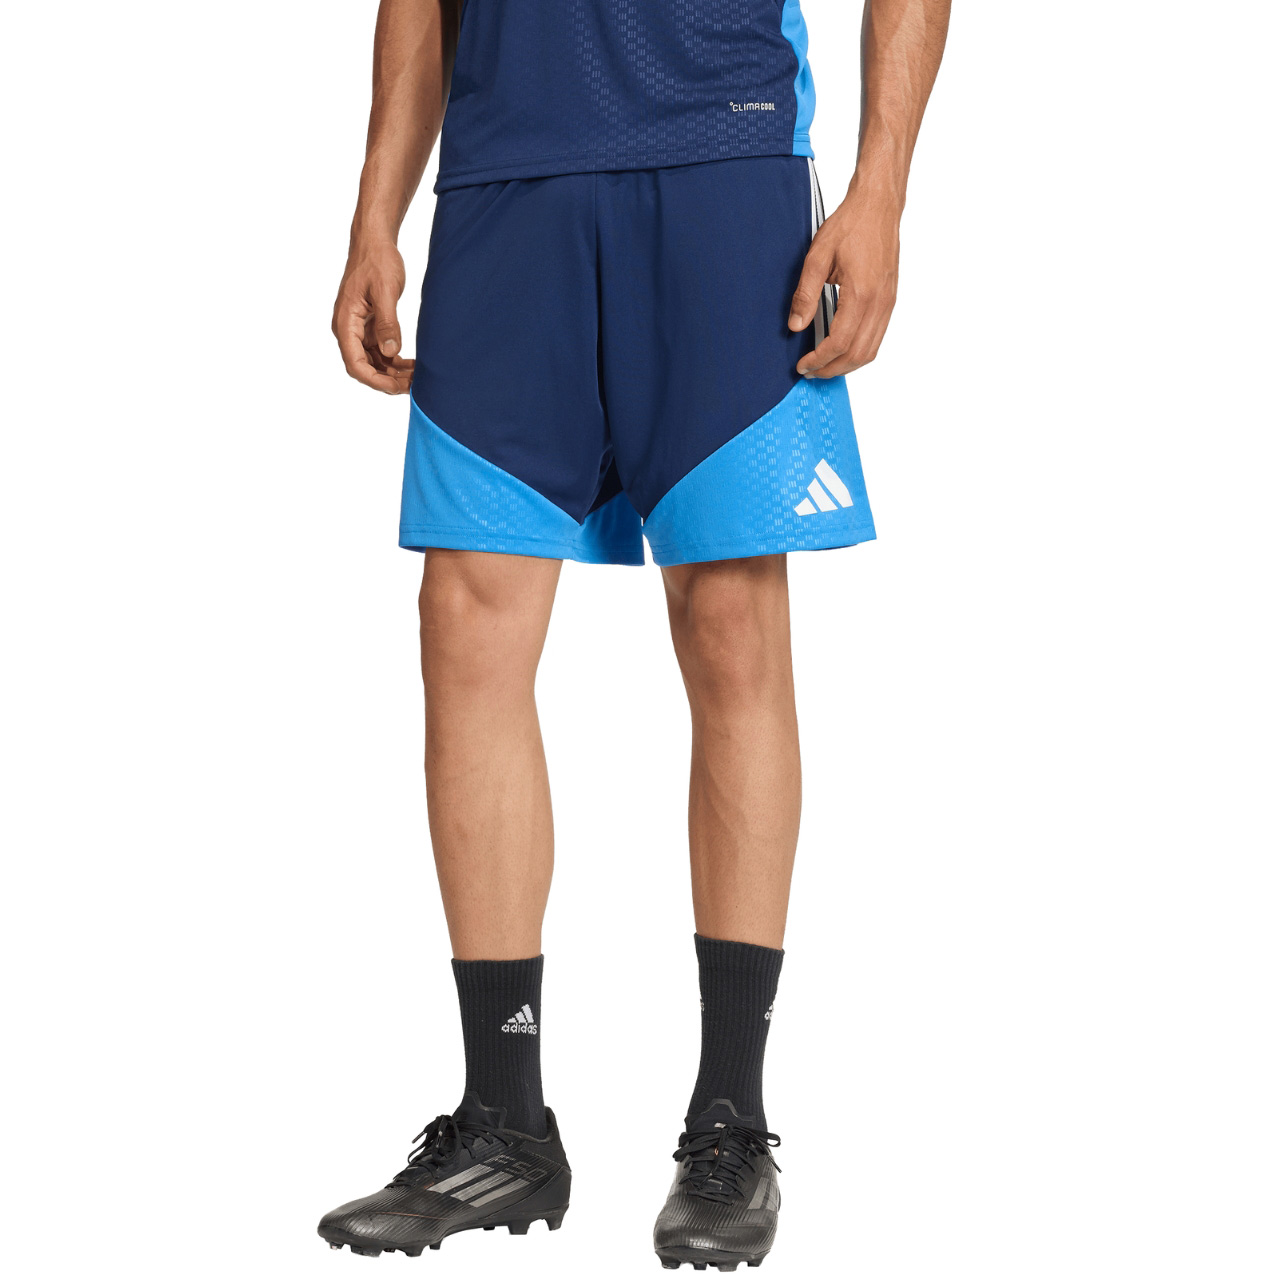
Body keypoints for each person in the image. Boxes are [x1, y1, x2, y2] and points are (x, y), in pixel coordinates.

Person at [320, 0, 949, 1268]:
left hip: (722, 158)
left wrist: (879, 188)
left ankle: (729, 1122)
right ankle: (503, 1120)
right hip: (502, 175)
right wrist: (373, 212)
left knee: (729, 621)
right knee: (464, 618)